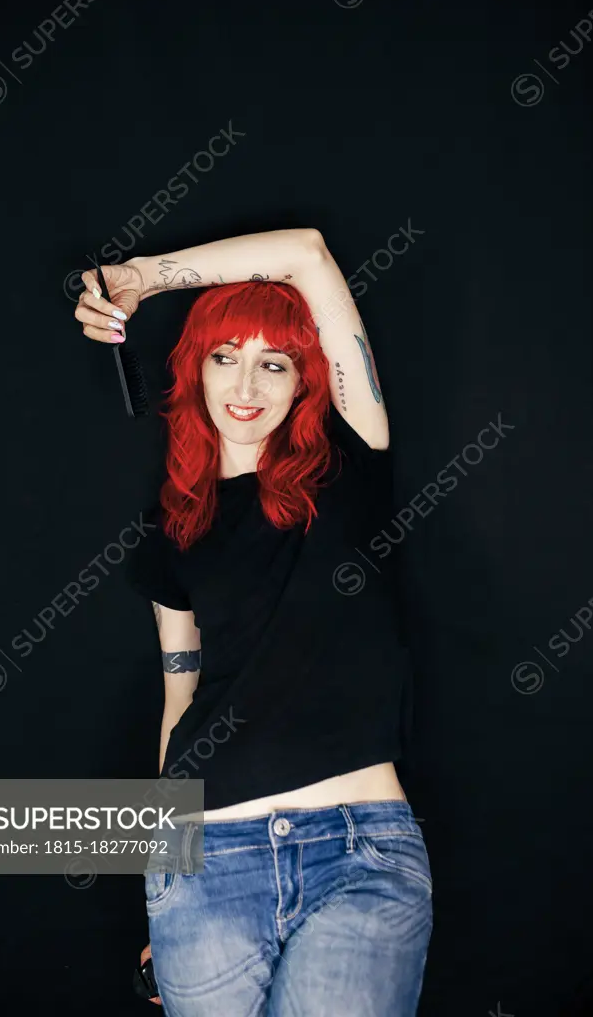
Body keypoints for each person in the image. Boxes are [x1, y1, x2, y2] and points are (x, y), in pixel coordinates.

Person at [75, 228, 433, 1016]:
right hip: (203, 865)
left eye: (275, 363)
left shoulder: (350, 467)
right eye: (225, 355)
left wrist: (139, 278)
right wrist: (159, 891)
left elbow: (307, 253)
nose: (248, 382)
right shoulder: (171, 526)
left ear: (303, 382)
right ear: (193, 367)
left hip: (360, 855)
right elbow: (179, 699)